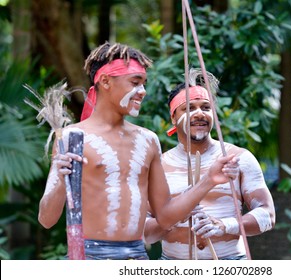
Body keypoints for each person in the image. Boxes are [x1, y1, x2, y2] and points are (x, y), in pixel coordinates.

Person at [38, 43, 240, 260]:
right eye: (135, 83)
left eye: (144, 84)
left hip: (137, 257)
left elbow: (165, 217)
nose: (142, 91)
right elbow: (46, 219)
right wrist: (59, 179)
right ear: (105, 81)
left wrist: (208, 180)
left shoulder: (148, 140)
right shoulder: (72, 137)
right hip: (89, 257)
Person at [144, 69, 276, 260]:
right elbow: (147, 233)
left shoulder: (237, 158)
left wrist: (224, 225)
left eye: (206, 107)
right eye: (189, 108)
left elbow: (268, 216)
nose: (199, 113)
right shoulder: (160, 165)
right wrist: (173, 217)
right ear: (173, 117)